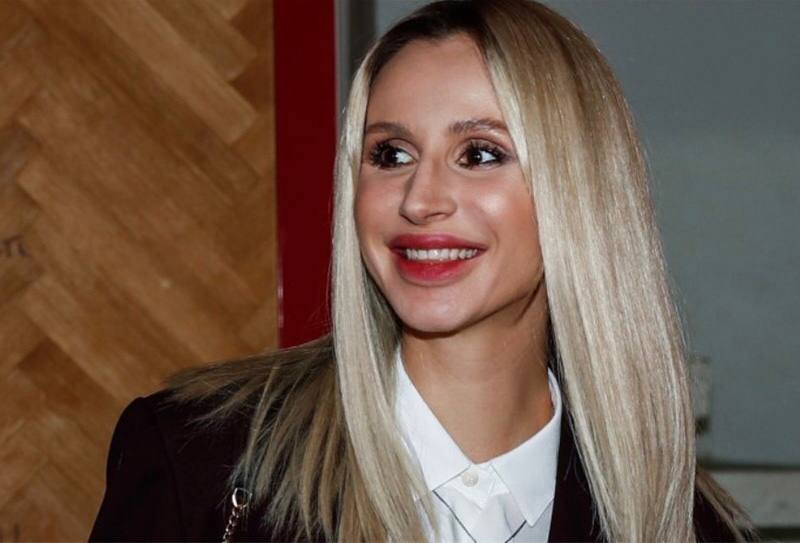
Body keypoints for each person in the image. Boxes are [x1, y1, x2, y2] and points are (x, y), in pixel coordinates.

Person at [89, 1, 757, 541]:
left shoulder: (685, 524)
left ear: (580, 190)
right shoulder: (200, 464)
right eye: (391, 154)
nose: (420, 198)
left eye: (480, 153)